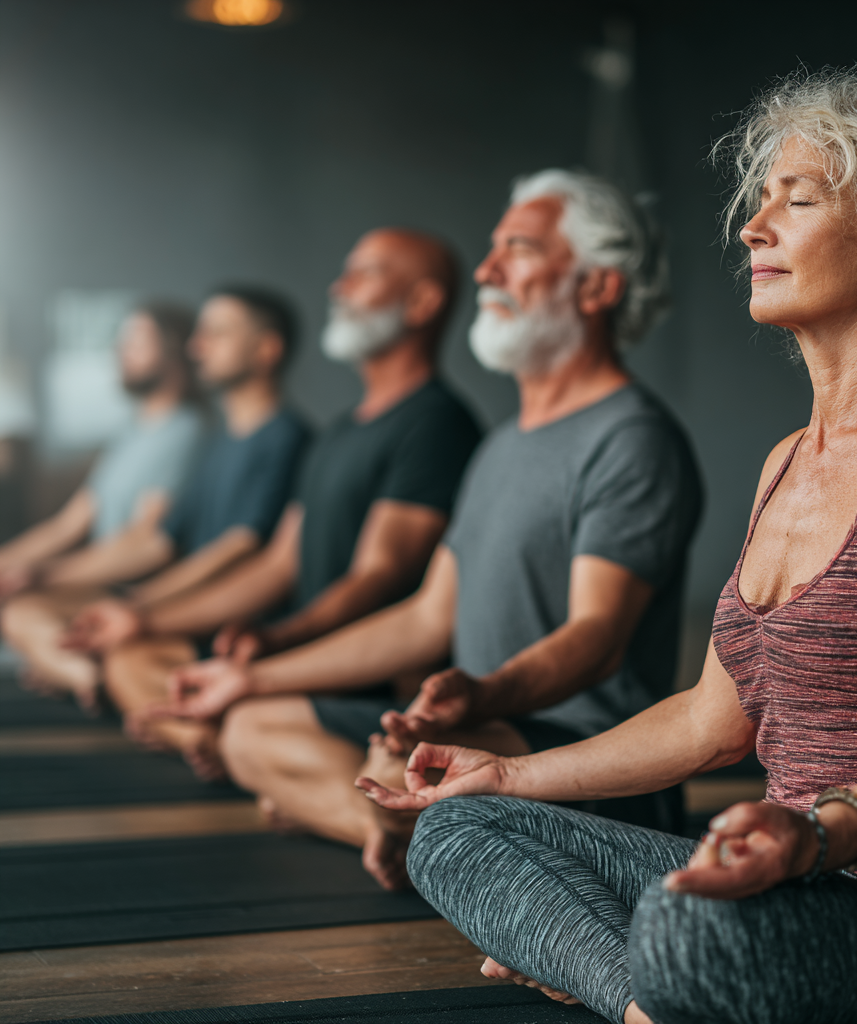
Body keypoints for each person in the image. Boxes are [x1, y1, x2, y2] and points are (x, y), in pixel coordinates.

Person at [359, 64, 857, 1024]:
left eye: (797, 201)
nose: (755, 227)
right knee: (460, 832)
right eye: (760, 202)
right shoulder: (785, 463)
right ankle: (654, 1004)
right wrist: (506, 772)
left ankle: (647, 975)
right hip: (795, 888)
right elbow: (712, 723)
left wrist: (806, 840)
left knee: (689, 924)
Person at [157, 169, 703, 889]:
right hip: (479, 728)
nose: (488, 269)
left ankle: (429, 836)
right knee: (253, 726)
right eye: (492, 248)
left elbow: (597, 638)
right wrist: (247, 676)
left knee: (390, 768)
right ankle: (419, 844)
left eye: (521, 248)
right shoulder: (501, 445)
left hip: (581, 754)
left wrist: (483, 696)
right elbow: (424, 618)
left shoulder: (632, 438)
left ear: (598, 288)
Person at [96, 229, 480, 778]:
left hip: (357, 675)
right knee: (134, 657)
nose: (339, 287)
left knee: (245, 719)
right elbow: (280, 563)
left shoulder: (436, 423)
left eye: (364, 273)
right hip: (297, 654)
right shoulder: (339, 431)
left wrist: (281, 639)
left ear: (422, 303)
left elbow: (381, 573)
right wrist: (144, 617)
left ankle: (239, 752)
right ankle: (227, 747)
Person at [2, 287, 310, 712]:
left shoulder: (283, 438)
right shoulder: (221, 442)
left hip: (223, 625)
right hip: (173, 608)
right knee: (36, 619)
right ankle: (93, 677)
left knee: (121, 658)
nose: (197, 346)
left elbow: (242, 547)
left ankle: (99, 682)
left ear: (266, 349)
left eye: (216, 333)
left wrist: (139, 606)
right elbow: (162, 538)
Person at [0, 302, 204, 601]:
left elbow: (147, 542)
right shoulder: (131, 430)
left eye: (136, 342)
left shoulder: (188, 432)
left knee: (18, 612)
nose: (121, 352)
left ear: (174, 350)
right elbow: (68, 524)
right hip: (97, 579)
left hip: (134, 590)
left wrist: (46, 575)